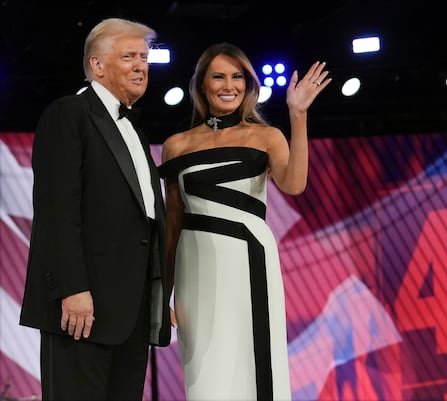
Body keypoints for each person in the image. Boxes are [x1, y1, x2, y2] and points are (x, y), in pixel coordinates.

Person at [158, 42, 331, 400]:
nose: (229, 85)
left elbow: (295, 184)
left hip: (250, 261)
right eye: (218, 76)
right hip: (196, 271)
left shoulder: (266, 136)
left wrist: (298, 116)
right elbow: (172, 224)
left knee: (255, 366)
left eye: (237, 76)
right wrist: (162, 296)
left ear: (248, 84)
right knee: (206, 374)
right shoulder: (177, 145)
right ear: (202, 85)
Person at [19, 17, 172, 400]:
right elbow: (56, 209)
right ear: (97, 65)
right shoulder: (67, 114)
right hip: (82, 308)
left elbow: (146, 221)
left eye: (144, 57)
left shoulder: (135, 128)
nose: (141, 65)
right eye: (129, 56)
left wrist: (158, 294)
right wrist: (72, 288)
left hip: (131, 311)